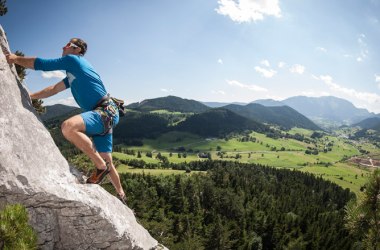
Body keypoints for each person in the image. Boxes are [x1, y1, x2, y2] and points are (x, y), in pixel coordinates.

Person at [5, 38, 127, 204]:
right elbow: (53, 89)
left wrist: (16, 59)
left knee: (68, 127)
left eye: (70, 45)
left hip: (104, 111)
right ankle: (122, 196)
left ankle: (100, 166)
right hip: (108, 114)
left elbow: (42, 64)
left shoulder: (73, 60)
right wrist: (30, 96)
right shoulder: (73, 74)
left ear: (78, 51)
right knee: (108, 161)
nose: (64, 46)